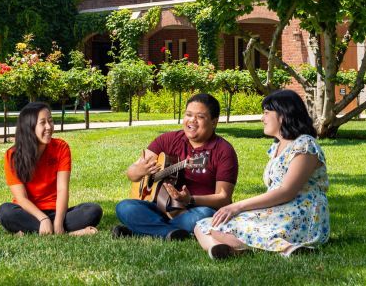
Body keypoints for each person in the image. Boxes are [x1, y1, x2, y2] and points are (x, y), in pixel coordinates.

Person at [195, 89, 330, 259]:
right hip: (278, 209)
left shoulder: (305, 146)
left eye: (266, 113)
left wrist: (237, 206)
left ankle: (286, 248)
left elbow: (286, 191)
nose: (262, 118)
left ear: (283, 114)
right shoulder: (277, 147)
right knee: (204, 225)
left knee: (223, 227)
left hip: (301, 215)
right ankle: (221, 249)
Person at [113, 93, 239, 241]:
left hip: (193, 210)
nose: (192, 120)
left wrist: (190, 199)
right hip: (159, 207)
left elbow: (223, 198)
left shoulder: (224, 151)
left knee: (205, 215)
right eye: (188, 114)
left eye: (200, 117)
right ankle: (168, 231)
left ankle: (146, 229)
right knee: (125, 207)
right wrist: (139, 171)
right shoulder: (168, 140)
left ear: (214, 122)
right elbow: (132, 174)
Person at [0, 102, 103, 236]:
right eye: (42, 123)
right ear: (29, 127)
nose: (49, 127)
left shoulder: (61, 147)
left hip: (57, 212)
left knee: (93, 210)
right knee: (5, 212)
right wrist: (43, 218)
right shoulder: (12, 155)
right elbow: (21, 198)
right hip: (29, 212)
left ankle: (40, 230)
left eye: (51, 121)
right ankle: (69, 233)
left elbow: (62, 189)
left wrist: (58, 222)